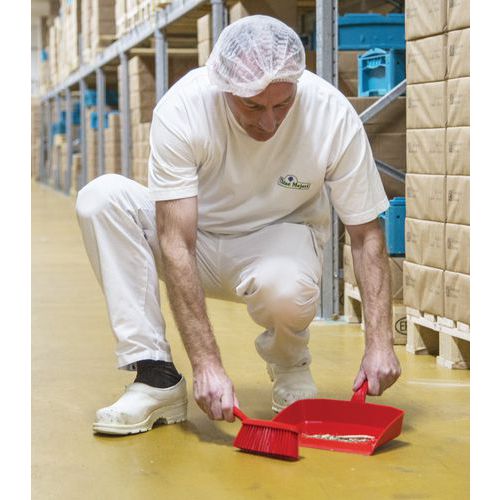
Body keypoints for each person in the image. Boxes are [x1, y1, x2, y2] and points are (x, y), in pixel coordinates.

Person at [76, 15, 401, 436]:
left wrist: (380, 343)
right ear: (224, 86)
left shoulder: (331, 114)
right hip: (196, 243)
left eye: (282, 104)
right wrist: (207, 364)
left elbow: (366, 234)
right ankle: (156, 377)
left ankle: (290, 366)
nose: (269, 123)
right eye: (253, 106)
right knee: (101, 198)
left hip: (277, 243)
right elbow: (175, 242)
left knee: (287, 286)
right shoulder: (185, 108)